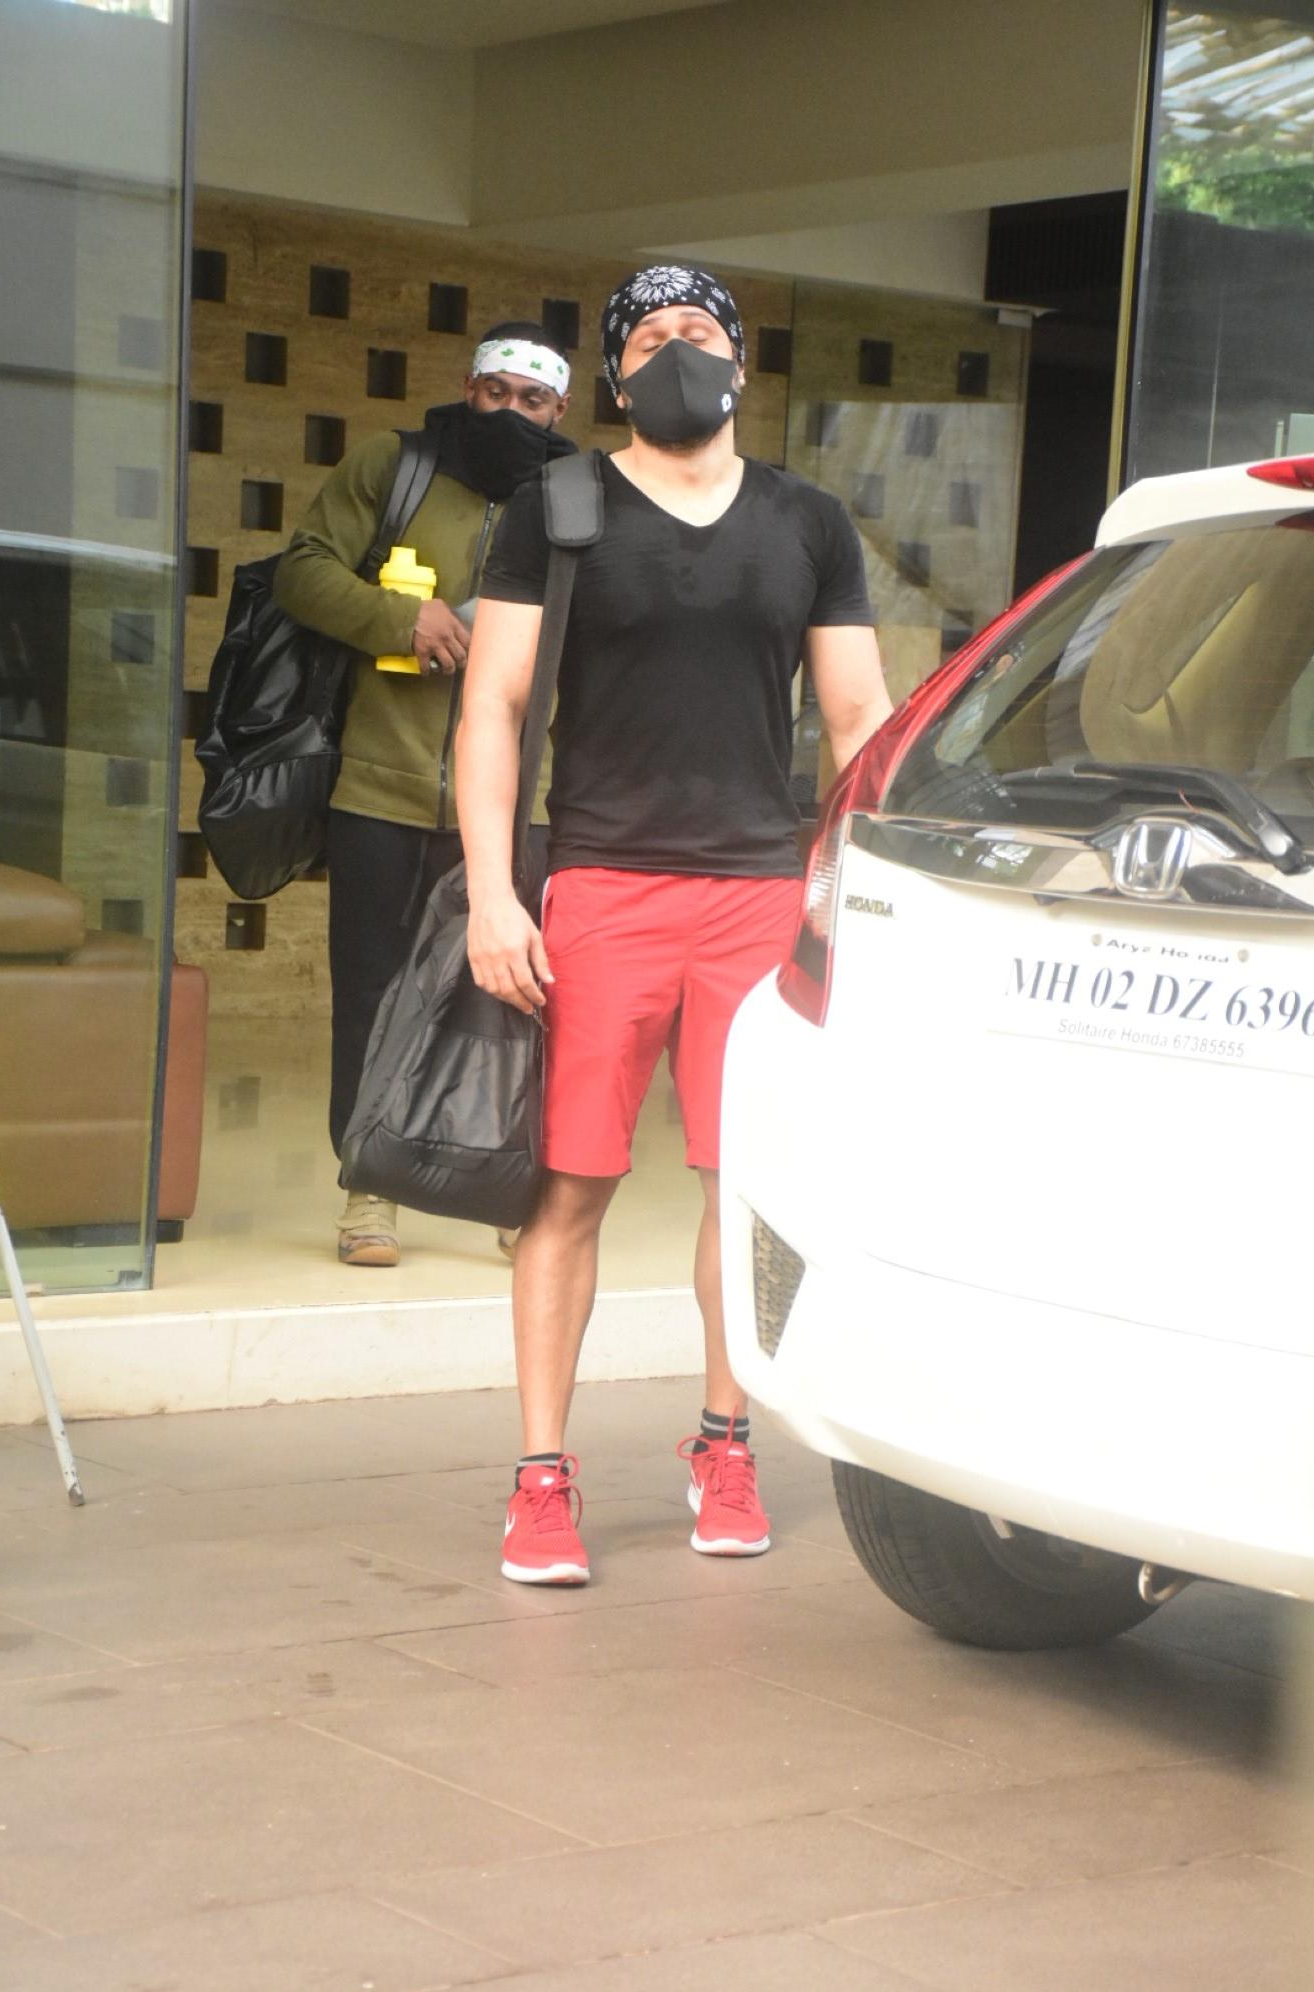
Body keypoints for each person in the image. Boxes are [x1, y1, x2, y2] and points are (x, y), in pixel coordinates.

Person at [457, 265, 891, 1584]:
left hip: (758, 896)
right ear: (613, 376)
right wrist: (492, 891)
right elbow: (492, 708)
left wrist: (845, 899)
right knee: (569, 1188)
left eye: (699, 332)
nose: (677, 351)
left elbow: (862, 721)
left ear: (741, 362)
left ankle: (724, 1442)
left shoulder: (809, 523)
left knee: (738, 1186)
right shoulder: (559, 505)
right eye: (647, 338)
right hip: (601, 891)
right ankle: (541, 1479)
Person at [274, 323, 574, 1267]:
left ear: (560, 411)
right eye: (494, 392)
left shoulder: (577, 493)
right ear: (468, 387)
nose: (510, 412)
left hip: (520, 800)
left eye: (532, 401)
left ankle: (506, 1186)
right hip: (380, 783)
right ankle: (369, 1192)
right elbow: (302, 569)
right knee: (367, 993)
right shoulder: (395, 465)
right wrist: (403, 617)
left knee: (514, 997)